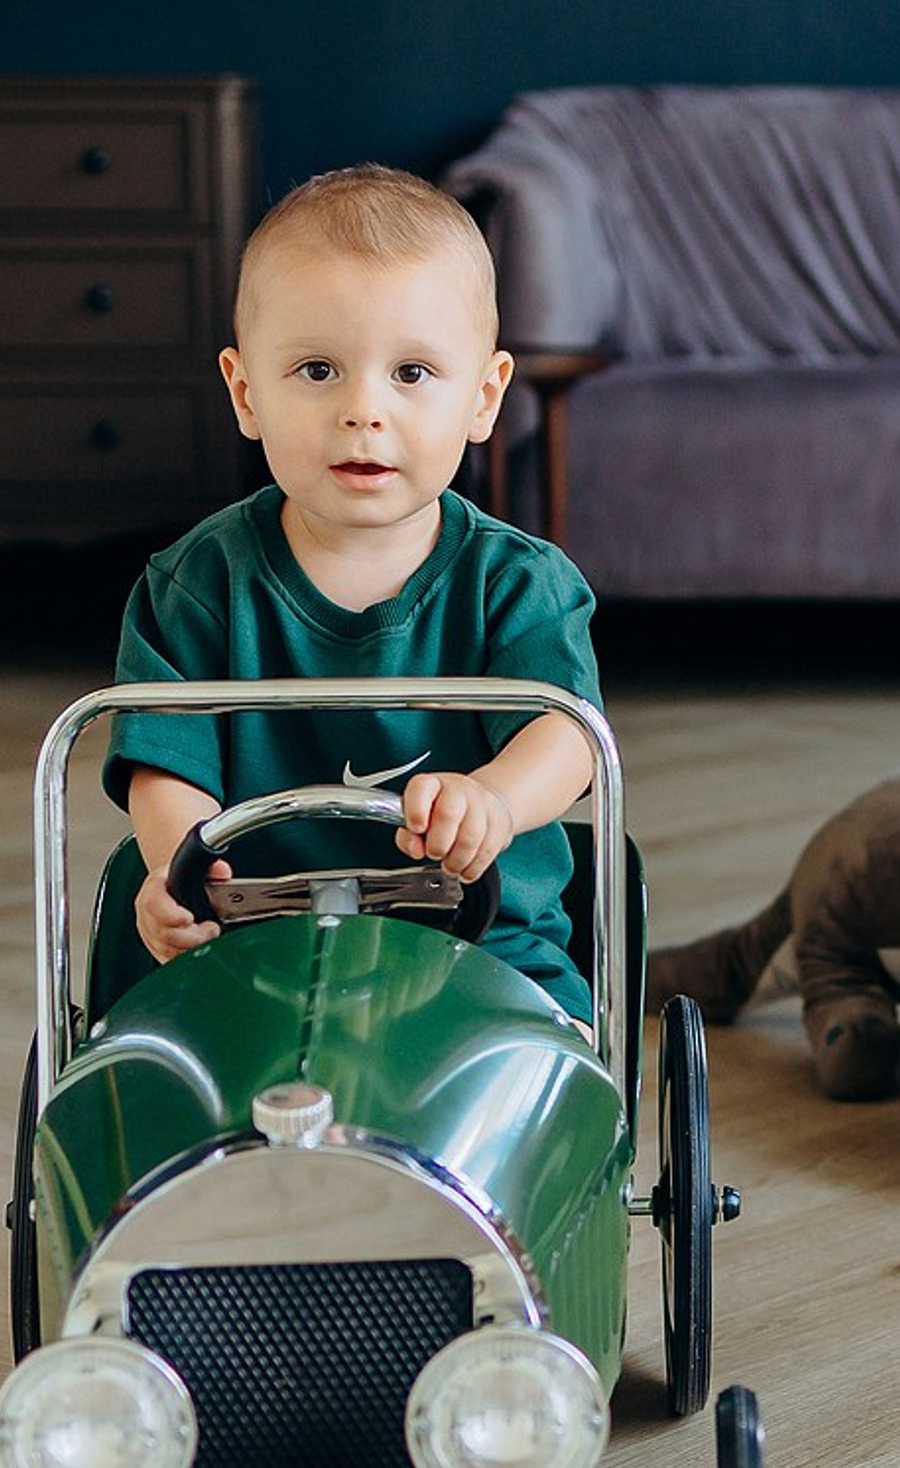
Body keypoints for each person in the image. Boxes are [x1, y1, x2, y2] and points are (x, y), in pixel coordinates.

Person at [102, 163, 599, 1021]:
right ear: (245, 392)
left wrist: (495, 797)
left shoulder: (519, 585)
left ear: (483, 398)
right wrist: (179, 867)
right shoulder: (197, 584)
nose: (364, 410)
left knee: (534, 1047)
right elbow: (162, 763)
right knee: (145, 1036)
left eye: (411, 374)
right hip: (253, 933)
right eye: (318, 370)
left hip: (475, 936)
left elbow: (567, 738)